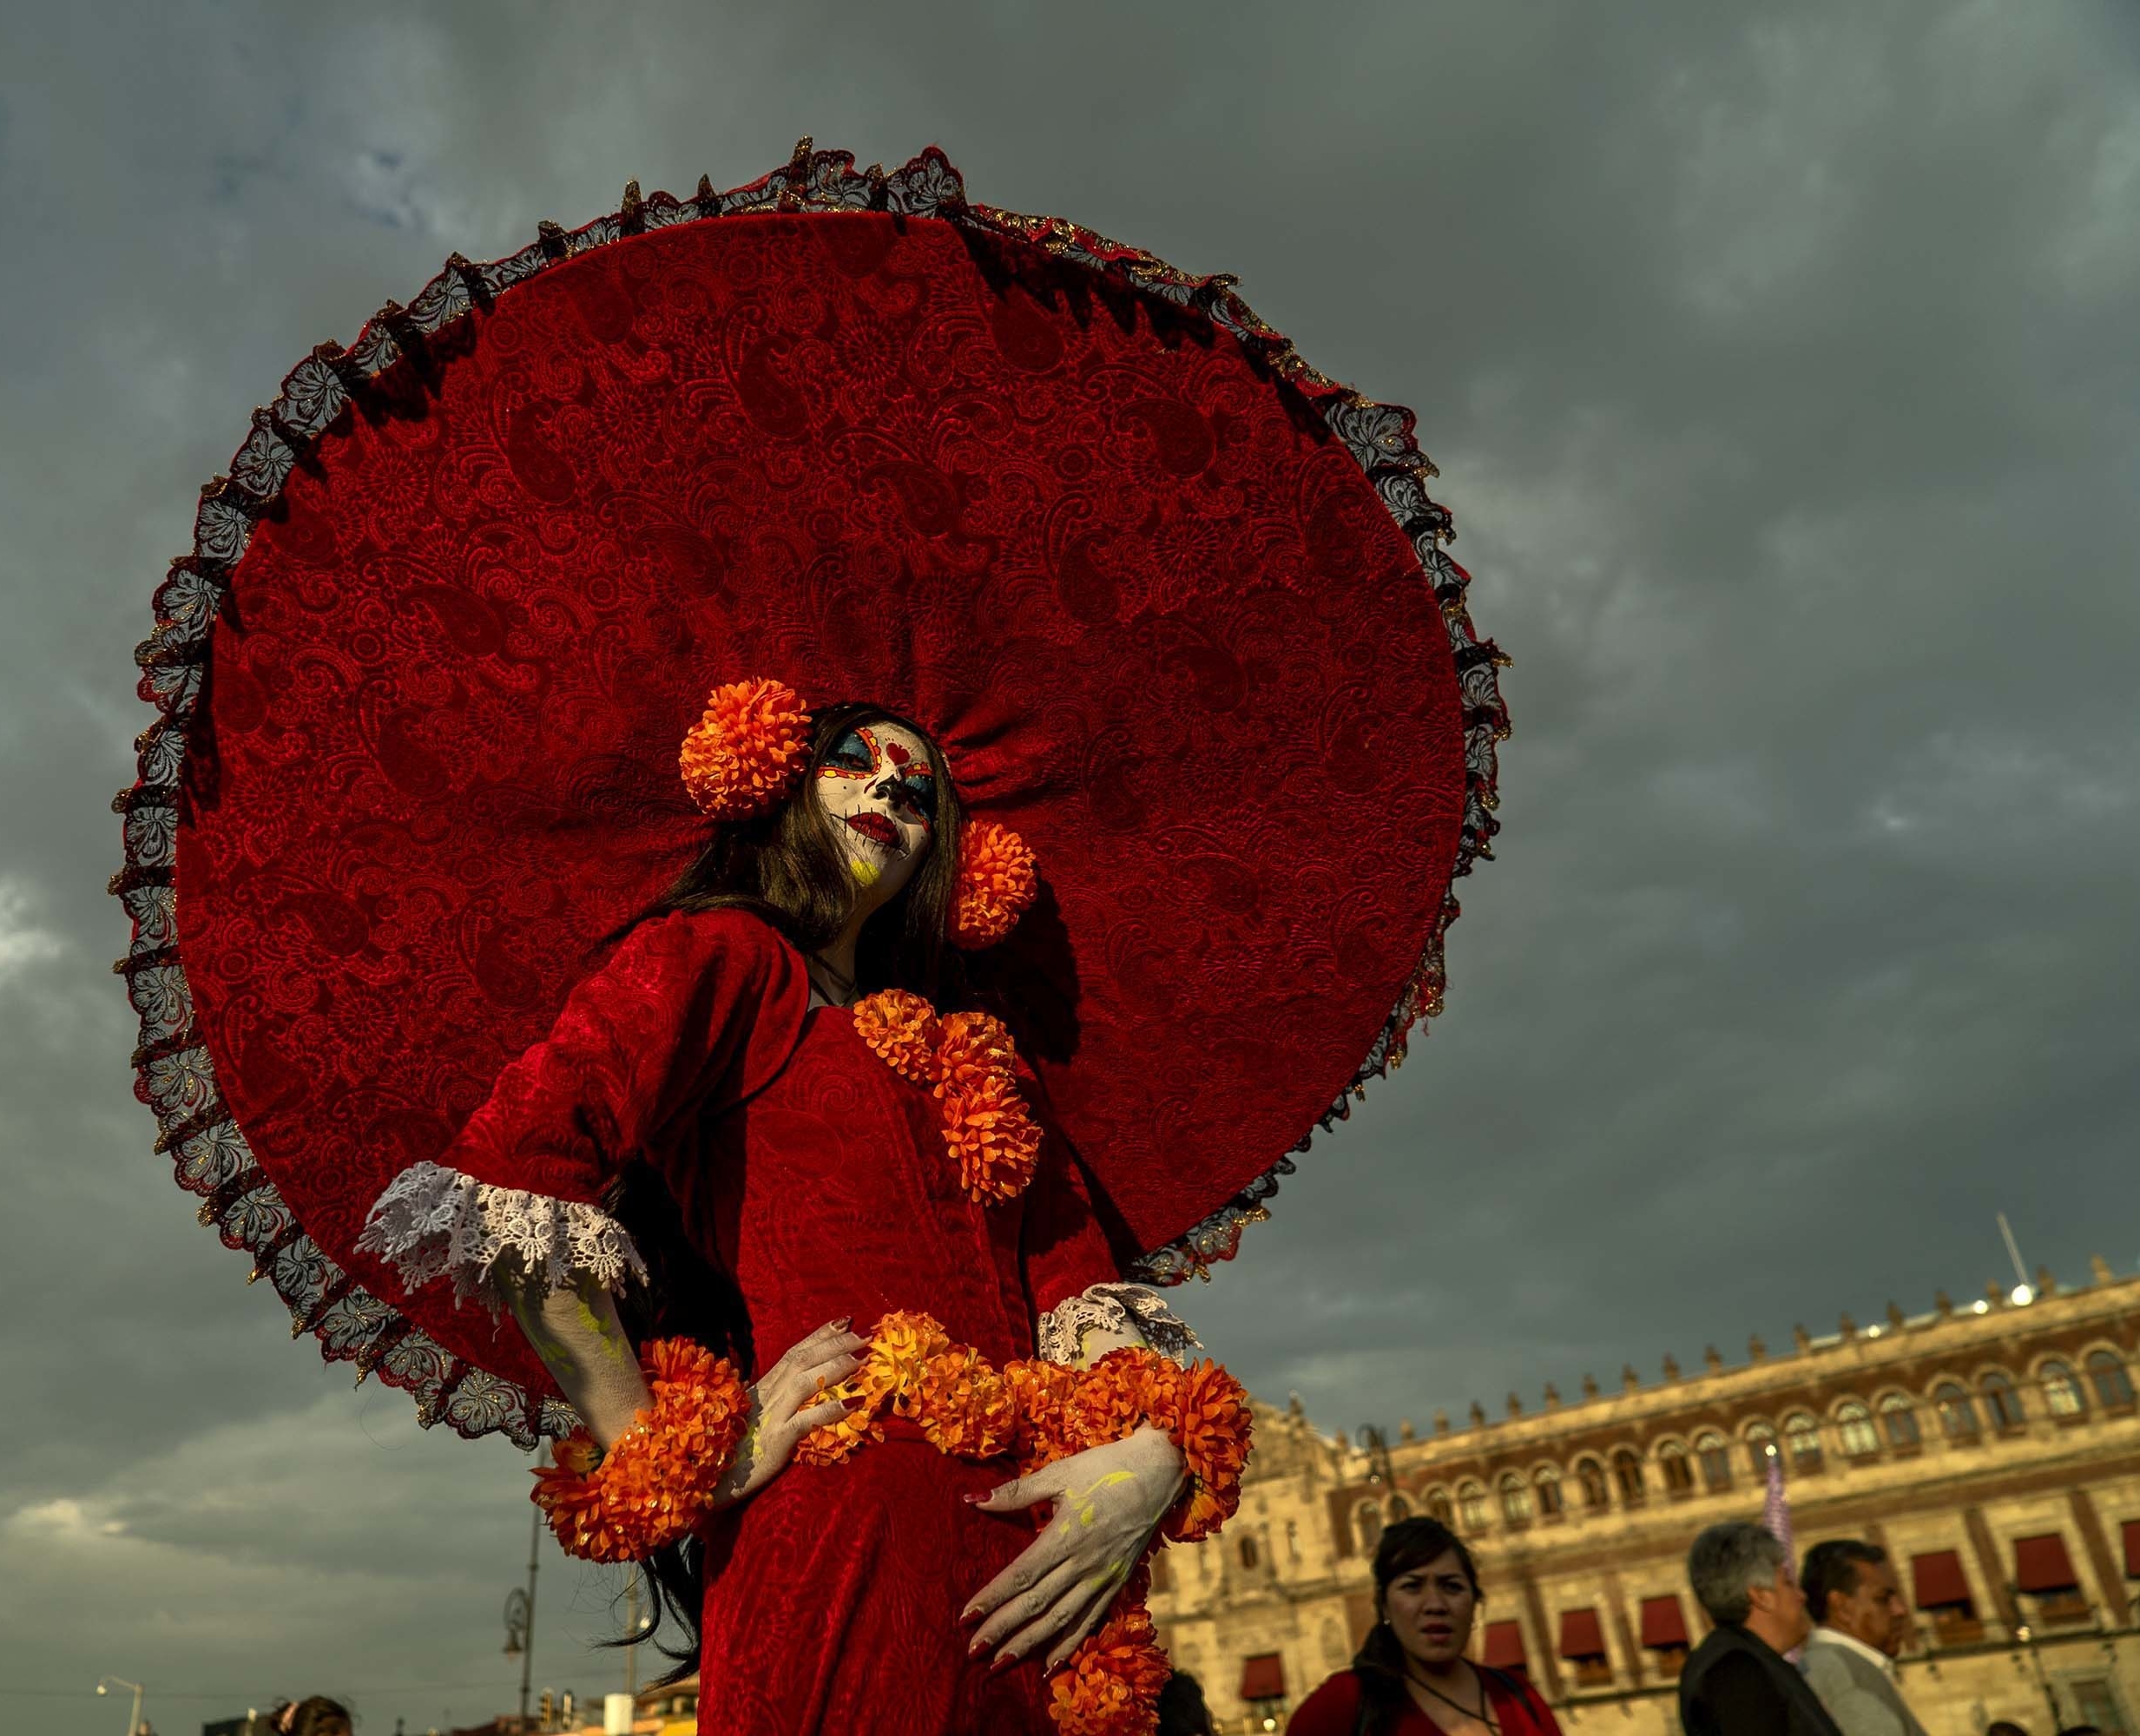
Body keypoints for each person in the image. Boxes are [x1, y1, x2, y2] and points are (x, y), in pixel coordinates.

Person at [115, 142, 1500, 1736]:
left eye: (925, 789)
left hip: (1050, 1576)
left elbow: (1080, 1295)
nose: (896, 798)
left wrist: (1151, 1461)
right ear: (773, 772)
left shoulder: (974, 1057)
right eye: (858, 759)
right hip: (841, 1542)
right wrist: (682, 1447)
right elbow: (515, 1181)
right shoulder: (719, 965)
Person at [1286, 1517, 1564, 1736]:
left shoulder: (1517, 1694)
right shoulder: (1340, 1706)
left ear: (1475, 1601)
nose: (1435, 1604)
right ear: (1384, 1606)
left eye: (1452, 1586)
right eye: (1412, 1586)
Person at [1679, 1521, 1843, 1736]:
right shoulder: (1736, 1674)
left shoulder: (1746, 1661)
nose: (1801, 1596)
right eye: (1788, 1583)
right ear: (1761, 1596)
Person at [1797, 1539, 1927, 1736]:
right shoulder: (1839, 1672)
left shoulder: (1842, 1667)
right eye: (1883, 1599)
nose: (1900, 1610)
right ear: (1841, 1606)